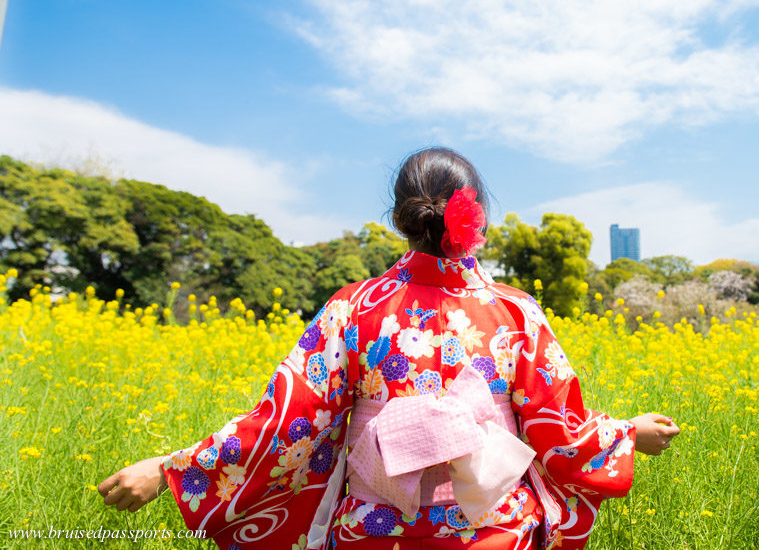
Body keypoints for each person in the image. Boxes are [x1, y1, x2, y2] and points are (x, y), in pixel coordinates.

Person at [99, 147, 679, 549]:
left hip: (375, 532)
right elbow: (560, 431)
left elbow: (283, 429)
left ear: (401, 216)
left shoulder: (352, 309)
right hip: (494, 534)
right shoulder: (514, 311)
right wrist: (627, 433)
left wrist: (169, 469)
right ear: (473, 214)